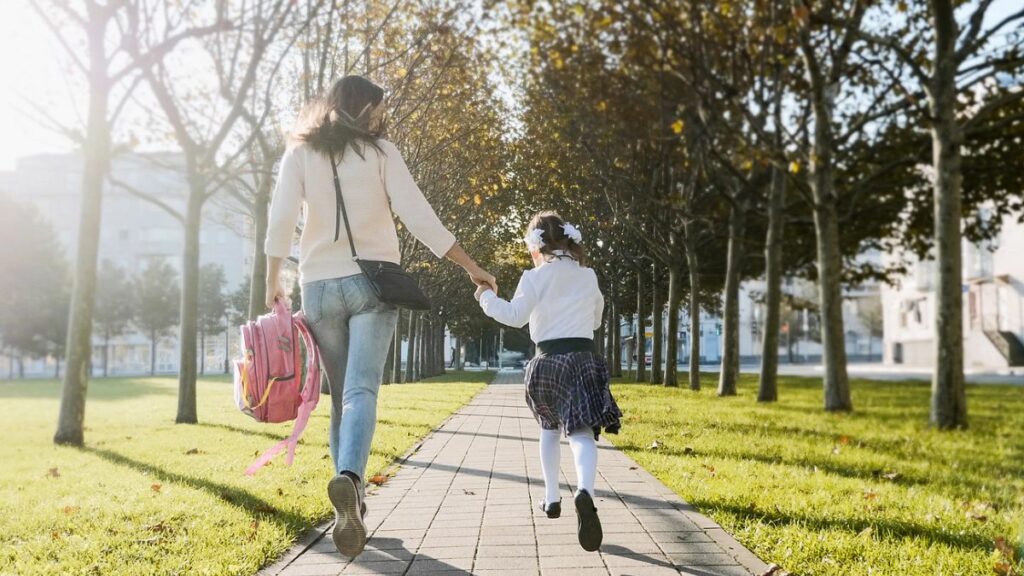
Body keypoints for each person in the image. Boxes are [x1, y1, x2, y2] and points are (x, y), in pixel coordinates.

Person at [264, 75, 496, 558]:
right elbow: (419, 215)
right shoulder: (380, 152)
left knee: (339, 399)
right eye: (374, 109)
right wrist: (472, 268)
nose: (378, 117)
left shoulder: (300, 153)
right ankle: (350, 478)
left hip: (319, 288)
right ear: (359, 108)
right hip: (371, 285)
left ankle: (351, 506)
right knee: (360, 392)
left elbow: (282, 218)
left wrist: (273, 281)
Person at [473, 211, 622, 552]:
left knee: (548, 429)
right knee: (582, 432)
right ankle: (585, 491)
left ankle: (552, 498)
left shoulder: (534, 277)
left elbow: (514, 316)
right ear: (569, 241)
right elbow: (597, 320)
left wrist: (486, 297)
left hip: (547, 361)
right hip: (582, 358)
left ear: (536, 245)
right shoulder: (588, 276)